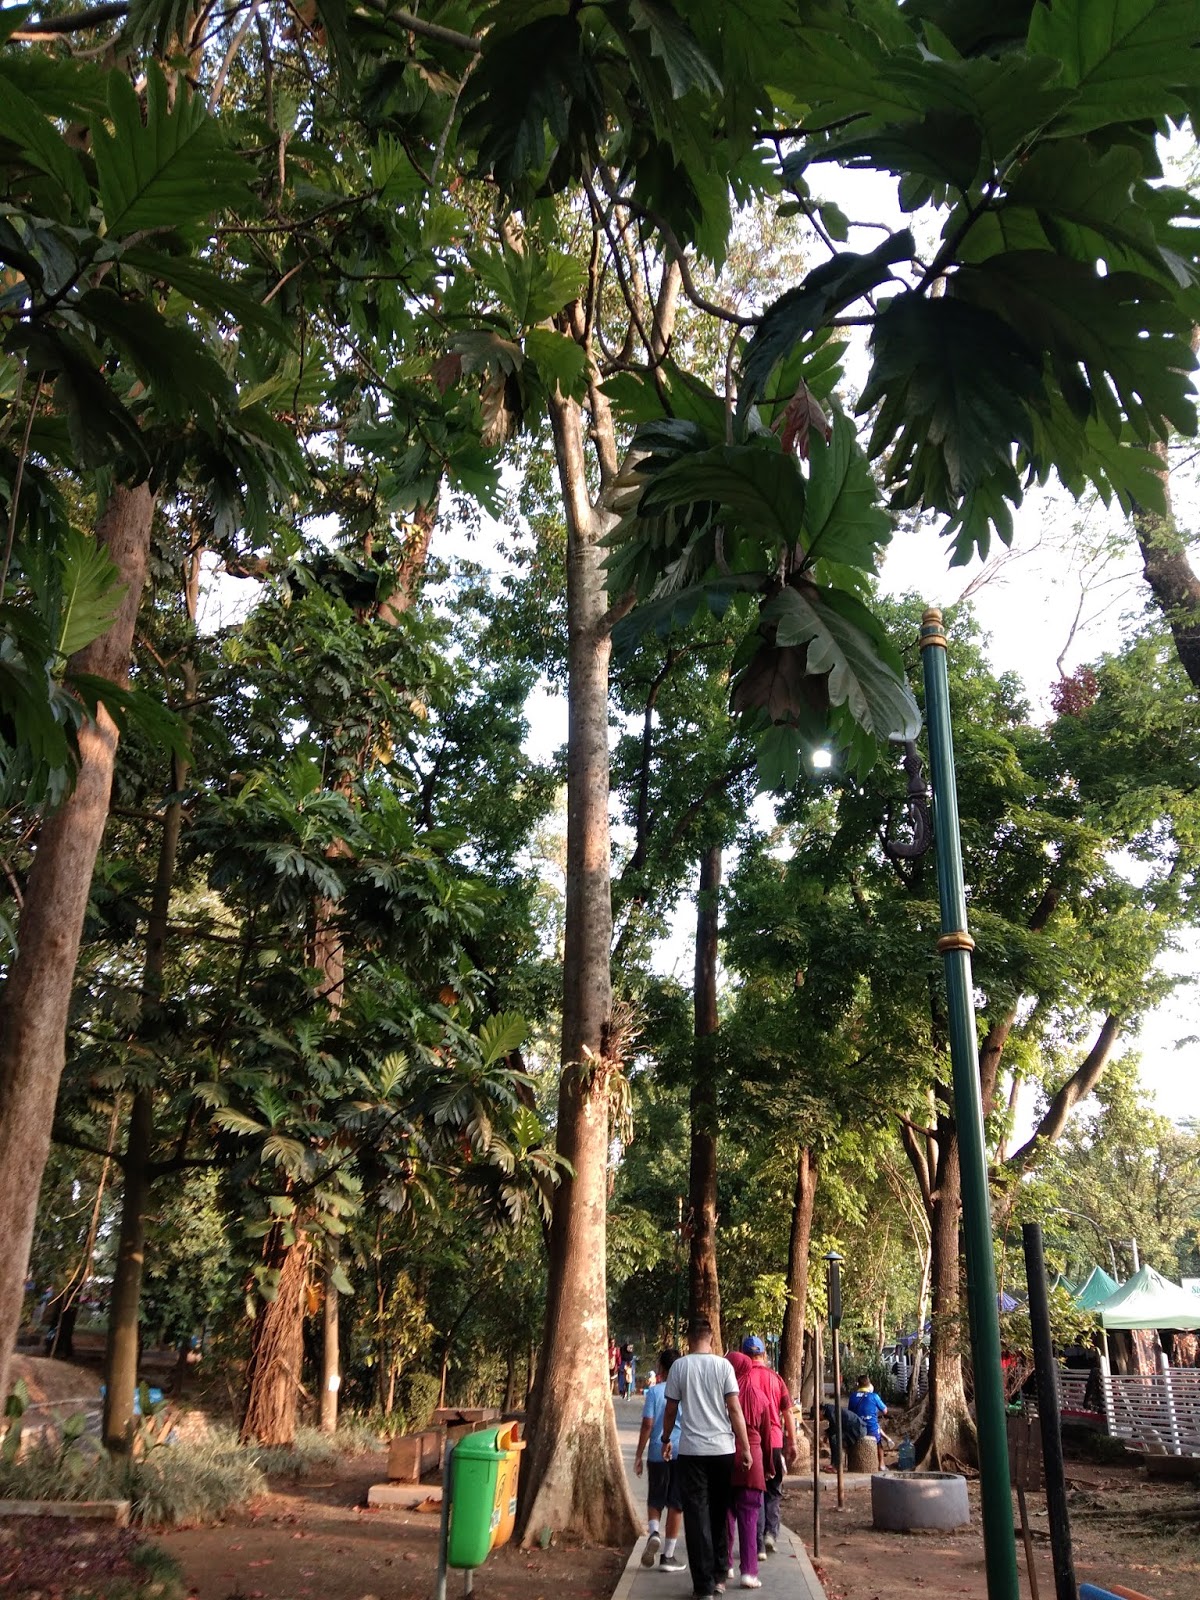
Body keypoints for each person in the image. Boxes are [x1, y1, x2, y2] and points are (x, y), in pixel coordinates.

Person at [662, 1317, 752, 1600]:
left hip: (692, 1452)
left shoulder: (679, 1367)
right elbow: (734, 1409)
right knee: (719, 1511)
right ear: (711, 1338)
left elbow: (671, 1409)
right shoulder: (723, 1366)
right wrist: (745, 1447)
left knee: (696, 1516)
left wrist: (665, 1438)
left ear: (689, 1339)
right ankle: (720, 1577)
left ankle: (703, 1586)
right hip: (723, 1450)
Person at [740, 1335, 798, 1557]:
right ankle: (771, 1533)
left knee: (755, 1492)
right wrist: (792, 1441)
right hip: (774, 1441)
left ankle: (759, 1545)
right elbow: (787, 1412)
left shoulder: (741, 1379)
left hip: (751, 1443)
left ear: (744, 1355)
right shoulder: (776, 1378)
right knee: (773, 1490)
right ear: (763, 1355)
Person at [635, 1348, 687, 1573]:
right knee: (676, 1503)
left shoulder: (654, 1392)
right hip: (681, 1451)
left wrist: (639, 1454)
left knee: (655, 1497)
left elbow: (647, 1424)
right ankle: (668, 1556)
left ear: (661, 1369)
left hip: (657, 1451)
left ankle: (654, 1532)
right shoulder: (686, 1393)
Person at [725, 1352, 773, 1588]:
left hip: (724, 1457)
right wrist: (769, 1466)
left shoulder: (721, 1396)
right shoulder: (758, 1396)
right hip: (752, 1460)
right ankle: (749, 1572)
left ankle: (725, 1565)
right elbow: (767, 1438)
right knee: (749, 1518)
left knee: (725, 1516)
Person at [848, 1374, 888, 1468]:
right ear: (869, 1384)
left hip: (856, 1427)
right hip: (871, 1428)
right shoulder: (874, 1396)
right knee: (879, 1443)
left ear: (858, 1384)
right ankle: (881, 1464)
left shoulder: (852, 1396)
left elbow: (850, 1412)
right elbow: (885, 1411)